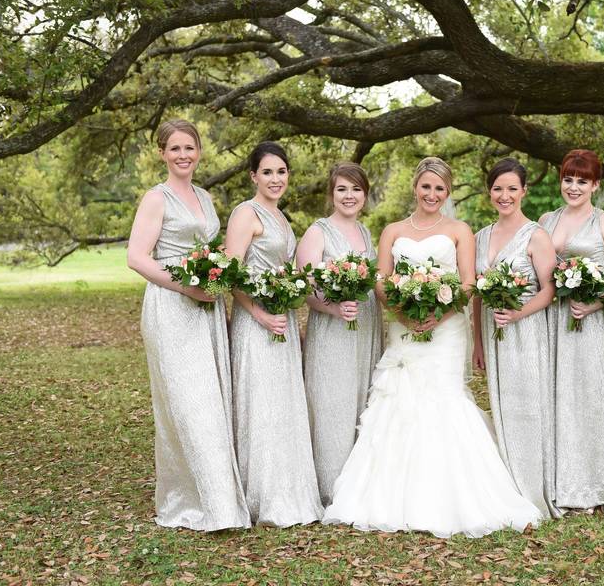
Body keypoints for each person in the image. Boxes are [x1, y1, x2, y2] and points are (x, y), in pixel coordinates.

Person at [323, 157, 542, 538]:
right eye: (426, 186)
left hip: (447, 328)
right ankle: (389, 496)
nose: (432, 194)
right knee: (399, 397)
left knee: (443, 398)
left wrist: (436, 315)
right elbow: (381, 281)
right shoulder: (392, 230)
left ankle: (451, 497)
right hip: (403, 326)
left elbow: (469, 283)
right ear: (415, 187)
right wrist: (403, 313)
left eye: (440, 188)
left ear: (448, 192)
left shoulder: (460, 230)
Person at [126, 119, 249, 531]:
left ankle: (221, 498)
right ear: (162, 153)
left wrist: (212, 282)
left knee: (211, 399)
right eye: (174, 148)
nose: (183, 155)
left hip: (206, 307)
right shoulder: (156, 198)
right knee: (187, 402)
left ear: (199, 151)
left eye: (189, 147)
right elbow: (138, 258)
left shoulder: (204, 196)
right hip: (171, 307)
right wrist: (186, 287)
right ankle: (198, 502)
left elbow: (209, 250)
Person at [226, 141, 322, 526]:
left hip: (281, 322)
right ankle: (261, 496)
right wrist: (259, 314)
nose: (275, 178)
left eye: (281, 171)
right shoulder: (244, 214)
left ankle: (289, 491)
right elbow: (230, 277)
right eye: (267, 172)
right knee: (260, 405)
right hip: (256, 325)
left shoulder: (282, 219)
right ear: (253, 176)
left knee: (283, 406)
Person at [538, 150, 604, 513]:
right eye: (568, 179)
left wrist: (595, 303)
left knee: (588, 398)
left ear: (595, 185)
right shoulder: (546, 220)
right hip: (551, 321)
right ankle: (558, 483)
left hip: (588, 322)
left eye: (582, 181)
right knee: (555, 396)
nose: (573, 187)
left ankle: (594, 487)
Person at [472, 158, 559, 519]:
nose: (504, 195)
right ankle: (506, 484)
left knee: (527, 405)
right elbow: (477, 293)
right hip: (494, 334)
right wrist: (477, 342)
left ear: (524, 191)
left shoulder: (536, 235)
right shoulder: (480, 237)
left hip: (526, 330)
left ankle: (532, 487)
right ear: (489, 192)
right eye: (497, 189)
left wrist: (518, 314)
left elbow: (549, 290)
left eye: (512, 188)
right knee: (502, 403)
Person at [296, 163, 383, 506]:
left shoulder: (365, 232)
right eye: (342, 189)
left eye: (356, 189)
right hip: (332, 329)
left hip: (366, 327)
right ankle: (331, 485)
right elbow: (303, 287)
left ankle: (356, 481)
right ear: (331, 194)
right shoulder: (318, 232)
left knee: (361, 398)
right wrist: (331, 308)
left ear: (365, 194)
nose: (349, 196)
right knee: (333, 399)